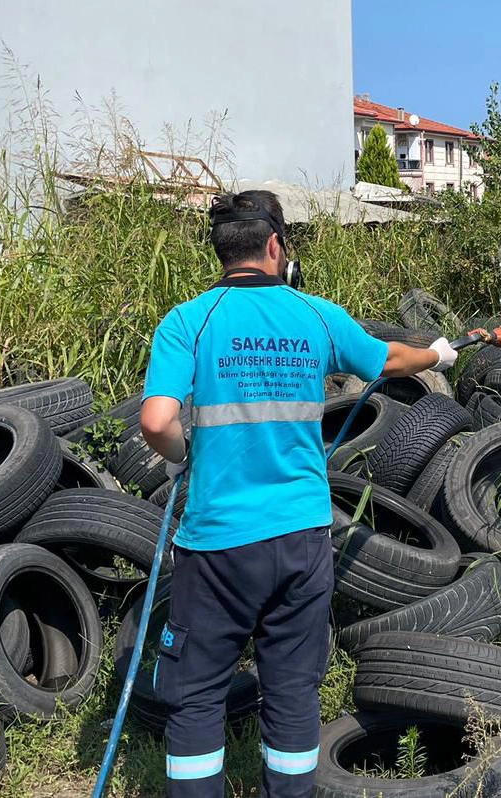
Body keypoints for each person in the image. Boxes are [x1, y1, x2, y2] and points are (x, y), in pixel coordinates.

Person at [139, 189, 458, 798]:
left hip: (219, 544)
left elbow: (155, 422)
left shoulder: (188, 321)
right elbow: (386, 359)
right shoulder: (316, 316)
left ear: (220, 249)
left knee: (199, 691)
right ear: (275, 246)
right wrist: (436, 352)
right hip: (302, 536)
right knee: (291, 688)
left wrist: (184, 455)